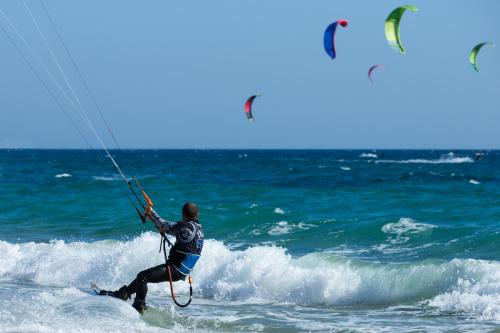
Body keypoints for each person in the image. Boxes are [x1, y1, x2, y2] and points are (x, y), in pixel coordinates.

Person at [97, 202, 204, 313]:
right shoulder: (199, 229)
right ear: (197, 214)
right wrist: (154, 219)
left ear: (183, 214)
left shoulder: (186, 227)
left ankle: (139, 306)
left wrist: (151, 212)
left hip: (175, 269)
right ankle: (124, 293)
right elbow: (172, 231)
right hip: (183, 270)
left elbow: (163, 225)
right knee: (141, 277)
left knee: (142, 277)